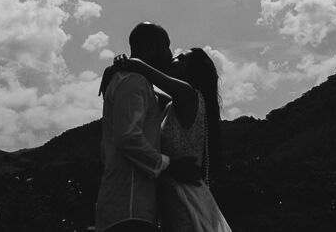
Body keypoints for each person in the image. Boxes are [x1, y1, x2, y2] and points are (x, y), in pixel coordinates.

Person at [96, 23, 203, 232]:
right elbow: (127, 137)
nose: (170, 54)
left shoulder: (140, 83)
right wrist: (169, 166)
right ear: (153, 46)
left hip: (134, 205)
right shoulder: (133, 81)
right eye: (167, 46)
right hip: (129, 205)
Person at [113, 47, 233, 232]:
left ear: (190, 70)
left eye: (180, 58)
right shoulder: (176, 102)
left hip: (184, 195)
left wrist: (127, 62)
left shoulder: (188, 94)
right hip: (175, 193)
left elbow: (144, 70)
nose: (173, 59)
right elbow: (149, 90)